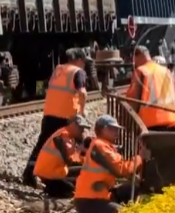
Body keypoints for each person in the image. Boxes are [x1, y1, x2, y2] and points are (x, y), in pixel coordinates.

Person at [23, 48, 91, 188]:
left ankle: (29, 174)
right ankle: (67, 178)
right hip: (65, 118)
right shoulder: (78, 72)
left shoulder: (58, 69)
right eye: (84, 62)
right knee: (71, 148)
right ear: (79, 60)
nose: (84, 65)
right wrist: (82, 112)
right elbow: (82, 93)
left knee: (42, 145)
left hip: (49, 114)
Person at [74, 115, 143, 213]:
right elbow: (120, 170)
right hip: (90, 200)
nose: (117, 132)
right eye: (113, 129)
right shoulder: (100, 146)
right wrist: (140, 158)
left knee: (133, 189)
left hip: (101, 195)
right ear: (103, 129)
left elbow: (121, 167)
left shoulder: (105, 145)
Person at [33, 114, 92, 198]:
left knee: (84, 170)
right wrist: (81, 151)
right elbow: (68, 161)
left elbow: (73, 159)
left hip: (55, 171)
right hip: (48, 175)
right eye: (81, 128)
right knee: (71, 188)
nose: (82, 131)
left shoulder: (69, 136)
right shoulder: (63, 136)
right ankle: (51, 190)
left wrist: (84, 157)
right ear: (73, 125)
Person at [125, 46, 175, 132]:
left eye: (134, 60)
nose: (134, 63)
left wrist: (128, 124)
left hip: (151, 123)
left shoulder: (141, 71)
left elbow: (133, 101)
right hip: (171, 121)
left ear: (137, 56)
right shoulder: (166, 71)